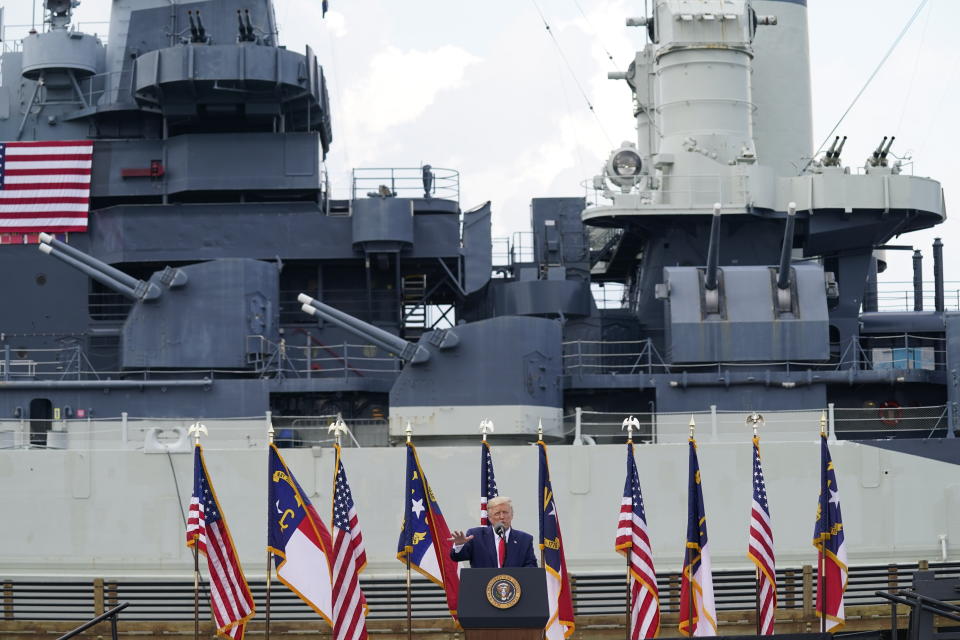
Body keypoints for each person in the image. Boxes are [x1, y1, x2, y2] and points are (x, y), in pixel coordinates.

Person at [449, 496, 538, 568]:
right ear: (490, 518)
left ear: (512, 515)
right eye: (497, 513)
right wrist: (459, 545)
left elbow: (531, 566)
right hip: (483, 588)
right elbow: (457, 557)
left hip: (514, 588)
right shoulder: (476, 536)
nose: (502, 517)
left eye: (505, 512)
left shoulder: (524, 539)